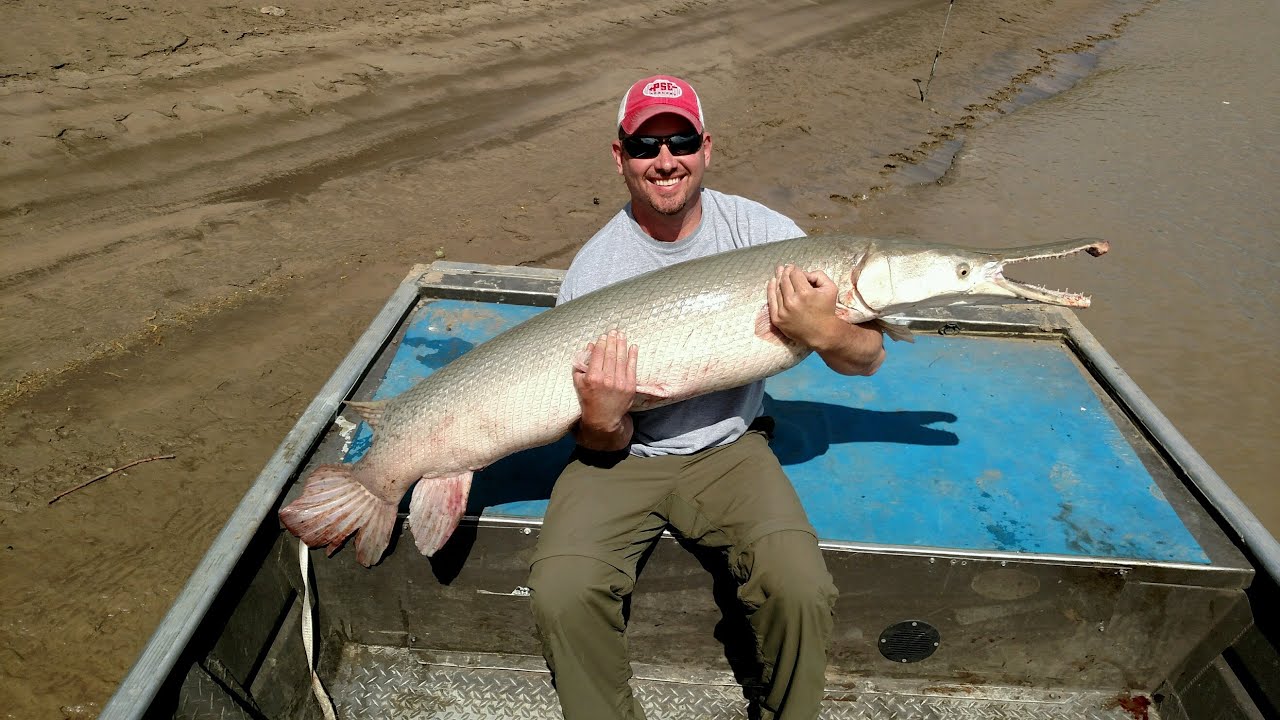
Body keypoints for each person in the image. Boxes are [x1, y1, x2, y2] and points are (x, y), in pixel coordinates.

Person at [526, 74, 886, 720]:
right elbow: (592, 436)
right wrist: (604, 423)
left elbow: (868, 355)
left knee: (801, 587)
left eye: (680, 140)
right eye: (646, 145)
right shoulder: (593, 271)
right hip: (623, 458)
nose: (665, 160)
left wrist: (824, 329)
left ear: (706, 147)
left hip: (729, 444)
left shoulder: (766, 236)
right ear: (620, 156)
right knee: (560, 589)